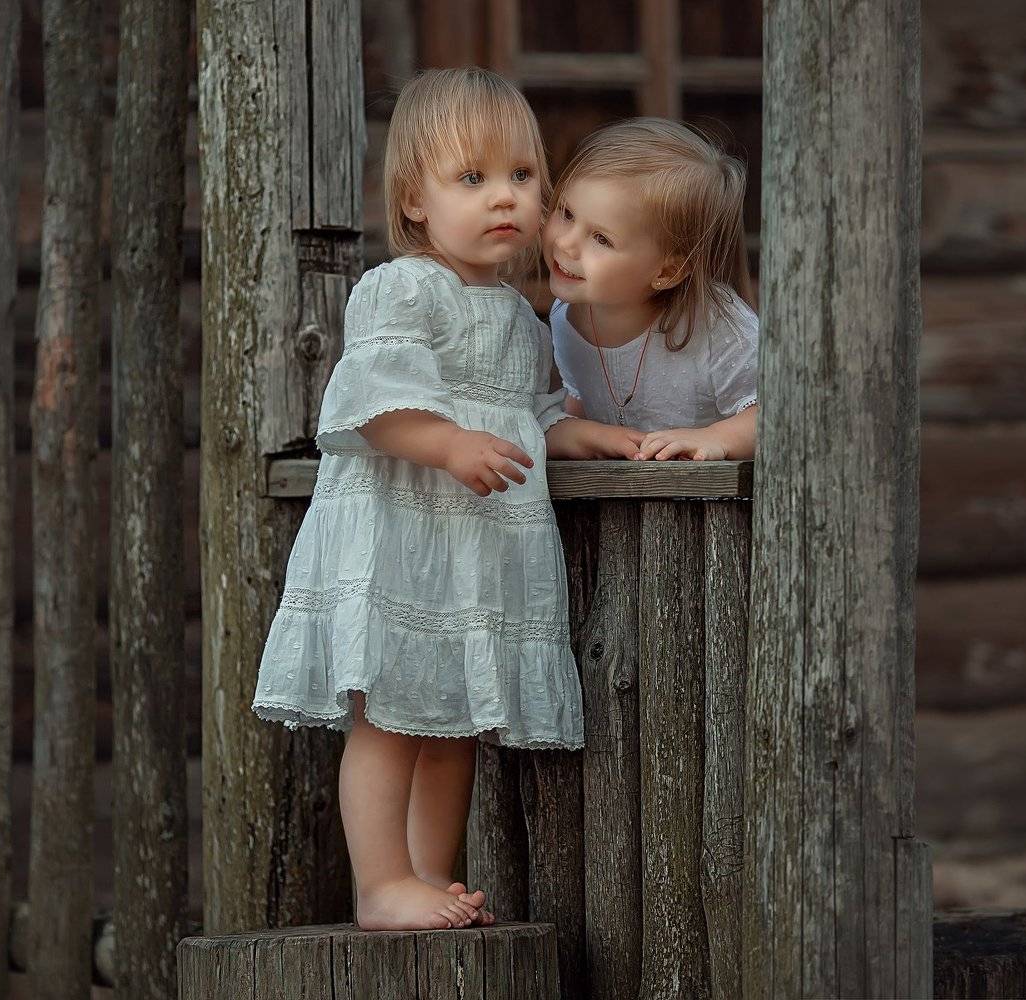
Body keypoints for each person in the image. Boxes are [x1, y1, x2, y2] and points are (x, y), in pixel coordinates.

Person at [251, 67, 640, 932]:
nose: (504, 197)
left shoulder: (517, 315)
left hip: (472, 554)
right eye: (472, 179)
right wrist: (446, 442)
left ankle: (430, 873)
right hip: (401, 537)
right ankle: (381, 881)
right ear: (415, 201)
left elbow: (530, 417)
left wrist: (585, 435)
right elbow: (375, 407)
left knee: (455, 724)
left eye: (522, 176)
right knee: (388, 719)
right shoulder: (402, 288)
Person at [543, 118, 760, 461]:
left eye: (601, 238)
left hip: (715, 506)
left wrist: (715, 438)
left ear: (667, 271)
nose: (565, 243)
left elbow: (776, 412)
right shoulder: (566, 315)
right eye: (567, 213)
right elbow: (583, 399)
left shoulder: (717, 324)